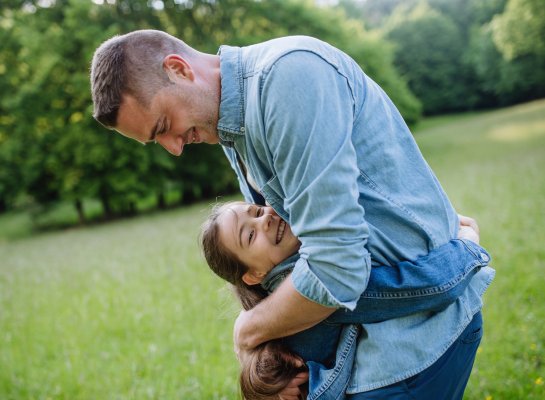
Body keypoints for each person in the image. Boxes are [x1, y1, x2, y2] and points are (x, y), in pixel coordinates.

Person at [90, 30, 496, 399]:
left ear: (178, 70)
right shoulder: (235, 128)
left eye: (163, 125)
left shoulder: (287, 78)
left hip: (412, 345)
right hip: (364, 352)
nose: (174, 148)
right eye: (156, 139)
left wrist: (249, 328)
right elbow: (293, 262)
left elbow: (336, 268)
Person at [200, 201, 490, 399]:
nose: (265, 219)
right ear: (254, 275)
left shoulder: (271, 299)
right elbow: (408, 290)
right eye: (250, 235)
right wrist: (466, 246)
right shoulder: (303, 289)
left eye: (258, 209)